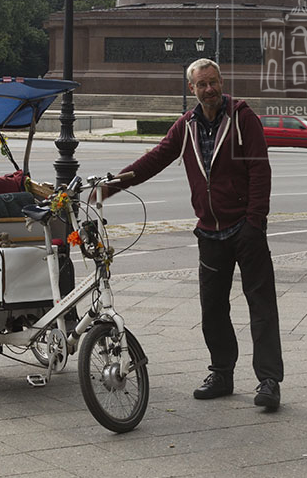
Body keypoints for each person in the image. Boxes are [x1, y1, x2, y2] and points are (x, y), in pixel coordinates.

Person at [103, 58, 283, 410]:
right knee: (212, 310)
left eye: (213, 82)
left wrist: (255, 223)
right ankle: (222, 374)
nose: (209, 89)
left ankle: (269, 380)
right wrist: (109, 187)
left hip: (245, 230)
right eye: (202, 84)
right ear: (192, 89)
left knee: (261, 306)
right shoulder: (186, 126)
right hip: (210, 231)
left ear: (221, 82)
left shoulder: (243, 118)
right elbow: (154, 159)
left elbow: (260, 171)